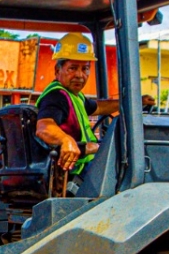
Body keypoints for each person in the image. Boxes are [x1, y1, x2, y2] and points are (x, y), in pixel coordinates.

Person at [35, 33, 121, 173]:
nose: (79, 75)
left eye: (85, 69)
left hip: (85, 166)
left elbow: (99, 107)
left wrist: (131, 102)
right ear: (58, 70)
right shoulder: (57, 96)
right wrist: (65, 140)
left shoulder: (75, 97)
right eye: (73, 68)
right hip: (75, 173)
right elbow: (44, 127)